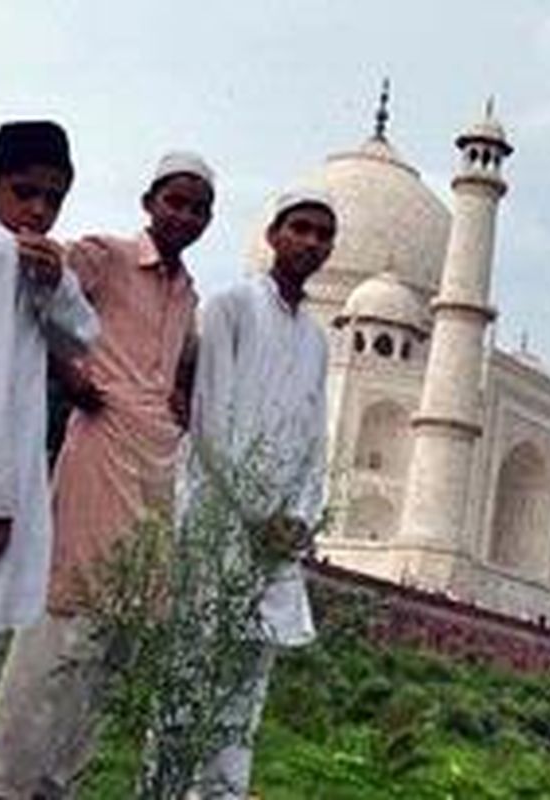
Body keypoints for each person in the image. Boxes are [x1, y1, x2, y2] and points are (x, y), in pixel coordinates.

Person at [0, 152, 215, 799]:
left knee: (116, 632)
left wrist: (180, 394)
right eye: (175, 202)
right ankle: (3, 782)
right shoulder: (103, 255)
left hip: (155, 469)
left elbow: (180, 364)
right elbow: (32, 293)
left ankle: (58, 785)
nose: (184, 216)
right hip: (98, 453)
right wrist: (69, 376)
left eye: (198, 208)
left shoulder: (189, 293)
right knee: (60, 616)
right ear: (149, 201)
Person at [0, 120, 100, 771]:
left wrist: (56, 279)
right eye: (24, 192)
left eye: (53, 198)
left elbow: (82, 337)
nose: (38, 209)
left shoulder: (29, 260)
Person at [181, 188, 335, 799]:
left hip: (276, 542)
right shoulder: (231, 307)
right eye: (301, 229)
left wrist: (300, 519)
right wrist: (254, 512)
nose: (312, 243)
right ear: (272, 236)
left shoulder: (317, 339)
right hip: (218, 519)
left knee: (246, 686)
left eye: (324, 235)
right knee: (189, 675)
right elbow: (210, 419)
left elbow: (313, 439)